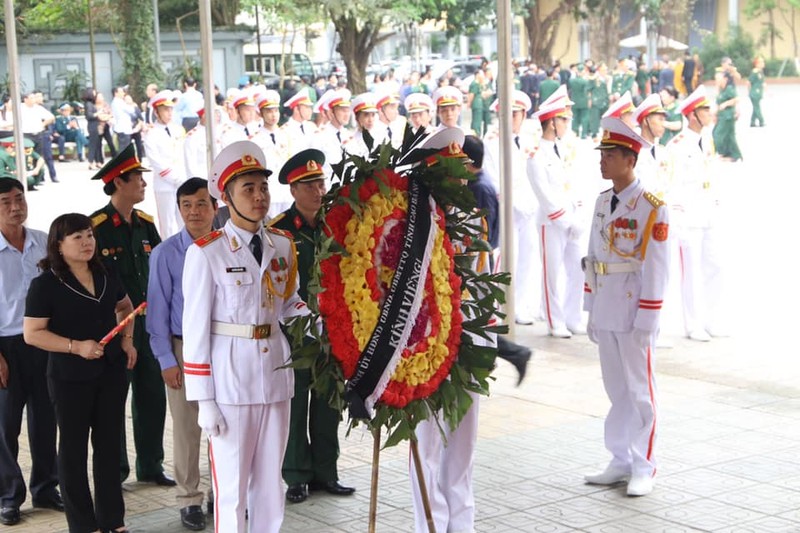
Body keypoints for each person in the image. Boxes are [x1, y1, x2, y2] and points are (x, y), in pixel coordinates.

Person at [182, 140, 311, 533]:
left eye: (263, 188)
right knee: (233, 490)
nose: (259, 197)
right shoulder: (207, 252)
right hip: (230, 381)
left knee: (271, 484)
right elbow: (195, 331)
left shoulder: (283, 245)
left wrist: (326, 323)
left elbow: (289, 303)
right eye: (248, 189)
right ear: (226, 197)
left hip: (275, 375)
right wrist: (203, 399)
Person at [23, 212, 136, 532]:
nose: (87, 243)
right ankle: (84, 525)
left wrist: (127, 340)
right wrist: (76, 346)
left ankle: (113, 521)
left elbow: (126, 307)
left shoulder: (106, 271)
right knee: (72, 452)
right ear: (58, 245)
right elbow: (33, 334)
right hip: (69, 376)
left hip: (110, 371)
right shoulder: (45, 284)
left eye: (89, 235)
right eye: (77, 237)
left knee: (110, 447)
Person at [405, 128, 493, 533]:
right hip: (424, 352)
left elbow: (484, 286)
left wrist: (485, 346)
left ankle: (463, 523)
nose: (461, 180)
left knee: (463, 445)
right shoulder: (411, 227)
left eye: (462, 172)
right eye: (452, 173)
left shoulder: (472, 221)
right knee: (427, 445)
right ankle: (431, 525)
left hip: (469, 346)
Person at [582, 117, 670, 498]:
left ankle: (644, 464)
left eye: (609, 155)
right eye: (602, 154)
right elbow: (592, 256)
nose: (602, 161)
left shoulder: (651, 206)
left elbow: (658, 265)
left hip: (634, 307)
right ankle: (619, 459)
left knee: (639, 391)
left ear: (629, 160)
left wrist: (649, 317)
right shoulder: (604, 201)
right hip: (606, 306)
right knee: (615, 388)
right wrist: (589, 306)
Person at [268, 150, 355, 505]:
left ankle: (326, 471)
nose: (318, 191)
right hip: (297, 333)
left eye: (320, 182)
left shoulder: (337, 224)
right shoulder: (280, 231)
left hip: (334, 330)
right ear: (293, 190)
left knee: (328, 403)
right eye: (309, 185)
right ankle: (296, 475)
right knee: (297, 402)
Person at [89, 144, 174, 488]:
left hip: (149, 322)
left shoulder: (146, 225)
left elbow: (160, 271)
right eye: (137, 177)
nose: (143, 183)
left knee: (152, 394)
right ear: (118, 182)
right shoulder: (96, 227)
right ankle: (117, 469)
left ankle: (151, 465)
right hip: (116, 326)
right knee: (114, 399)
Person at [147, 178, 218, 531]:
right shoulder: (165, 253)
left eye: (202, 203)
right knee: (188, 428)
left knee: (225, 425)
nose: (195, 211)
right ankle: (189, 498)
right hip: (184, 347)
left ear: (215, 208)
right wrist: (166, 359)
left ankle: (222, 492)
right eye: (187, 205)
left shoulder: (229, 246)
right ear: (178, 209)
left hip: (224, 345)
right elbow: (156, 312)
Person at [0, 178, 61, 527]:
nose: (15, 207)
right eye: (6, 201)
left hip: (42, 340)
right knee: (5, 425)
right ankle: (9, 496)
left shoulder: (42, 242)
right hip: (6, 345)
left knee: (45, 418)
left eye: (19, 199)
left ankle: (46, 487)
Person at [462, 136, 532, 384]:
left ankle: (513, 354)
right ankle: (503, 356)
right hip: (477, 263)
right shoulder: (477, 183)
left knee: (475, 318)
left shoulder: (480, 188)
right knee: (476, 319)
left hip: (478, 264)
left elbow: (485, 233)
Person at [666, 85, 726, 342]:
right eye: (705, 110)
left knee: (715, 266)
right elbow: (671, 184)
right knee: (690, 272)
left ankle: (712, 319)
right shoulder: (677, 145)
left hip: (708, 213)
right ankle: (693, 324)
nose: (710, 114)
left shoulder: (706, 139)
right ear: (692, 115)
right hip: (688, 217)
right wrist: (677, 219)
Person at [528, 92, 588, 338]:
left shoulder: (564, 149)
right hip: (551, 223)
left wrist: (579, 216)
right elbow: (545, 195)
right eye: (563, 119)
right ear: (552, 122)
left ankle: (573, 317)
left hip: (572, 220)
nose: (566, 124)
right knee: (552, 273)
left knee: (578, 270)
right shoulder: (536, 156)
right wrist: (565, 219)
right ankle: (555, 321)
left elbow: (573, 184)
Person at [482, 90, 542, 326]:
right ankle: (500, 304)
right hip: (507, 209)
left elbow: (535, 175)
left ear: (524, 114)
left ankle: (519, 305)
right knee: (506, 258)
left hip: (529, 209)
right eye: (507, 114)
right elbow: (492, 177)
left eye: (516, 114)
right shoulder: (492, 142)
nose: (511, 118)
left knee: (527, 258)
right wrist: (510, 201)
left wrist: (531, 202)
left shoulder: (529, 141)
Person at [143, 90, 186, 238]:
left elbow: (183, 155)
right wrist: (175, 178)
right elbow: (156, 162)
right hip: (164, 185)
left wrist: (183, 177)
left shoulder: (178, 130)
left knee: (185, 220)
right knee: (167, 224)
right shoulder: (151, 133)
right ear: (156, 112)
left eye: (170, 109)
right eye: (165, 110)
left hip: (182, 181)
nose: (169, 113)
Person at [712, 71, 742, 162]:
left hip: (728, 116)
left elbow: (737, 99)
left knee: (718, 135)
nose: (716, 81)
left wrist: (726, 104)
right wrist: (715, 114)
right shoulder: (721, 90)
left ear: (725, 79)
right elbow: (717, 102)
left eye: (718, 79)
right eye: (716, 79)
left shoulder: (729, 89)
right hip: (721, 116)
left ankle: (720, 152)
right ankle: (732, 155)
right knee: (729, 136)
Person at [111, 86, 134, 153]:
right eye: (121, 92)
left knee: (123, 147)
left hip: (122, 128)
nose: (123, 93)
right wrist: (130, 103)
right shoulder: (119, 102)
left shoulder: (115, 102)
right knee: (124, 148)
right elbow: (131, 110)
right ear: (116, 93)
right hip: (123, 128)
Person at [748, 56, 766, 127]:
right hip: (754, 92)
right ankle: (761, 121)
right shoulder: (754, 72)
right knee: (757, 107)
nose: (763, 63)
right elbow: (748, 82)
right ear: (757, 64)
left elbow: (762, 83)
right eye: (761, 62)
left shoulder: (760, 72)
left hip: (759, 92)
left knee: (755, 107)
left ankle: (752, 122)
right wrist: (749, 92)